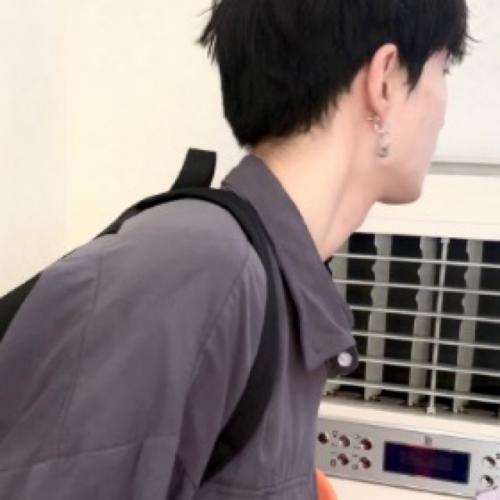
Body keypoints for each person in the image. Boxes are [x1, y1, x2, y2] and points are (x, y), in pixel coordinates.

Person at [0, 1, 469, 499]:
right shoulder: (202, 272)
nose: (443, 110)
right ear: (385, 80)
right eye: (442, 70)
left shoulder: (274, 286)